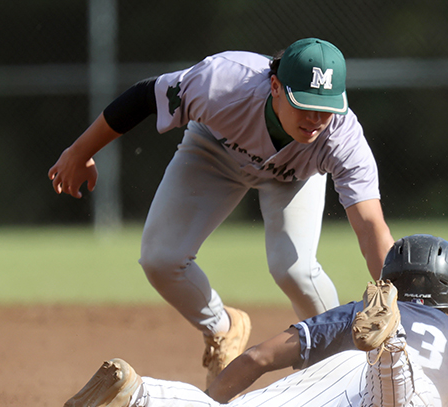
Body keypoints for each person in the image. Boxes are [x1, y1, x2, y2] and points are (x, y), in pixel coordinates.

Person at [47, 38, 395, 387]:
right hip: (215, 150)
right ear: (275, 87)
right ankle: (223, 328)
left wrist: (398, 303)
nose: (316, 118)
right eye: (305, 103)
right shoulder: (223, 82)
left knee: (295, 270)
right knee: (160, 259)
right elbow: (144, 96)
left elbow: (370, 226)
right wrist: (79, 152)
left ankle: (340, 375)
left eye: (327, 105)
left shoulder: (341, 135)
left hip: (295, 176)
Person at [54, 235, 448, 407]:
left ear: (391, 282)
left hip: (341, 376)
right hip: (408, 394)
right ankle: (389, 345)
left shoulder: (349, 316)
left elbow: (257, 358)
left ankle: (137, 392)